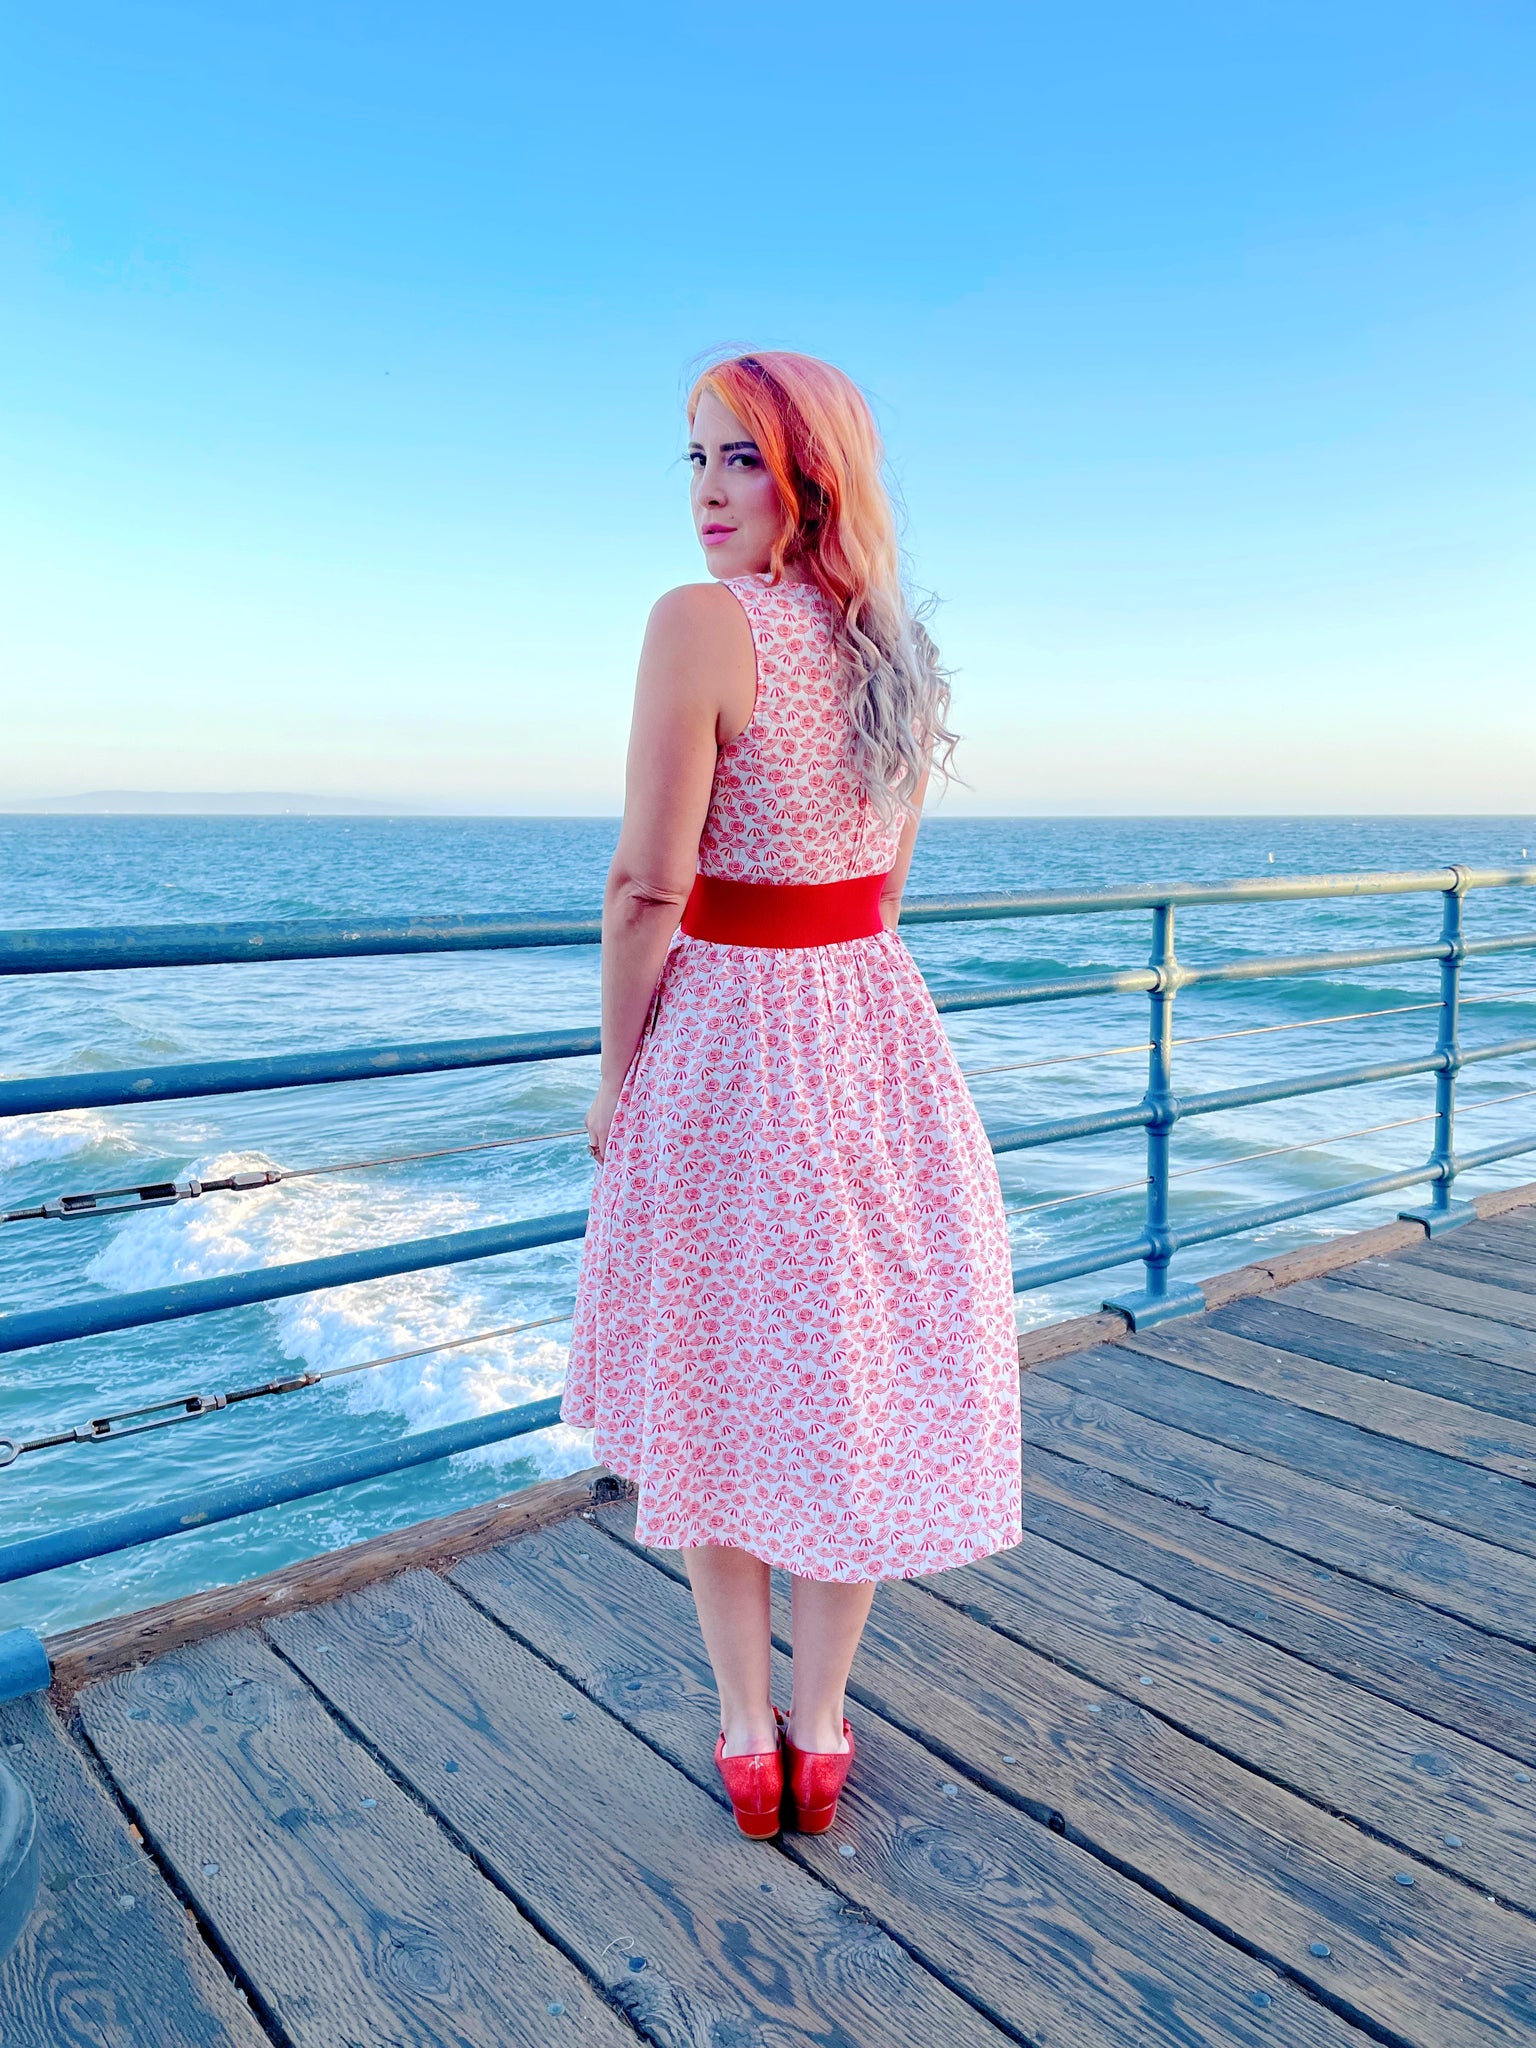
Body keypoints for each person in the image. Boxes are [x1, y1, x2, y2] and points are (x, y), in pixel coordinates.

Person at [560, 350, 1022, 1839]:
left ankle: (748, 1735)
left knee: (712, 1391)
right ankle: (820, 1730)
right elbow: (884, 884)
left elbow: (648, 887)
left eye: (740, 459)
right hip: (878, 1043)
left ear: (809, 475)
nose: (706, 491)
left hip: (729, 1047)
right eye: (692, 458)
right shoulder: (892, 643)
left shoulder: (701, 623)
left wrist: (617, 1081)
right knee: (846, 1394)